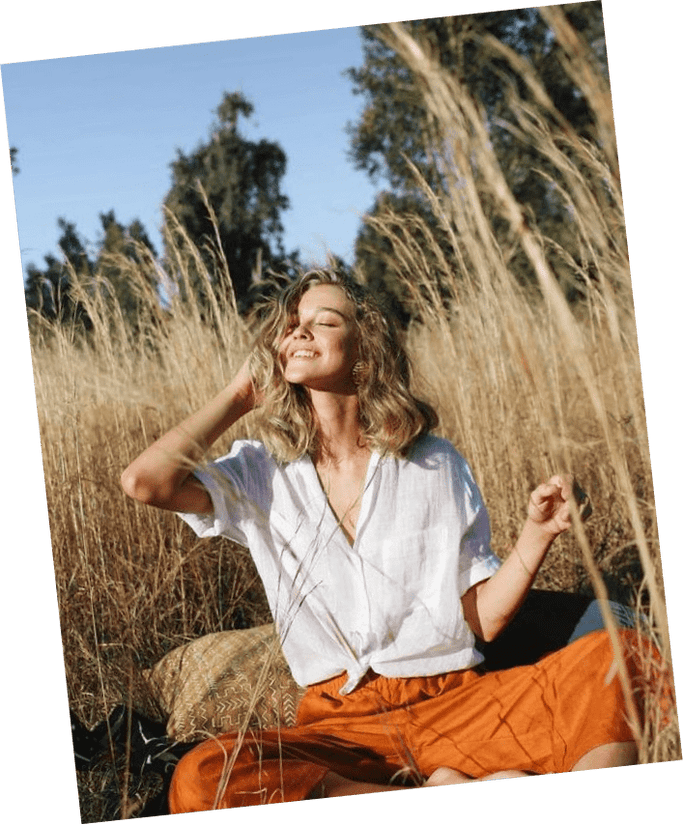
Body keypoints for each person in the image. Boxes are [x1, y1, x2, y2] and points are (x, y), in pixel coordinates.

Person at [121, 269, 642, 811]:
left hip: (455, 704)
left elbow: (481, 621)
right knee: (205, 774)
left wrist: (538, 534)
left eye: (324, 322)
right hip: (342, 728)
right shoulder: (261, 473)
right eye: (292, 326)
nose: (300, 332)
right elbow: (145, 482)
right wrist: (240, 394)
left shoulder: (433, 462)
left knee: (624, 657)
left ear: (365, 353)